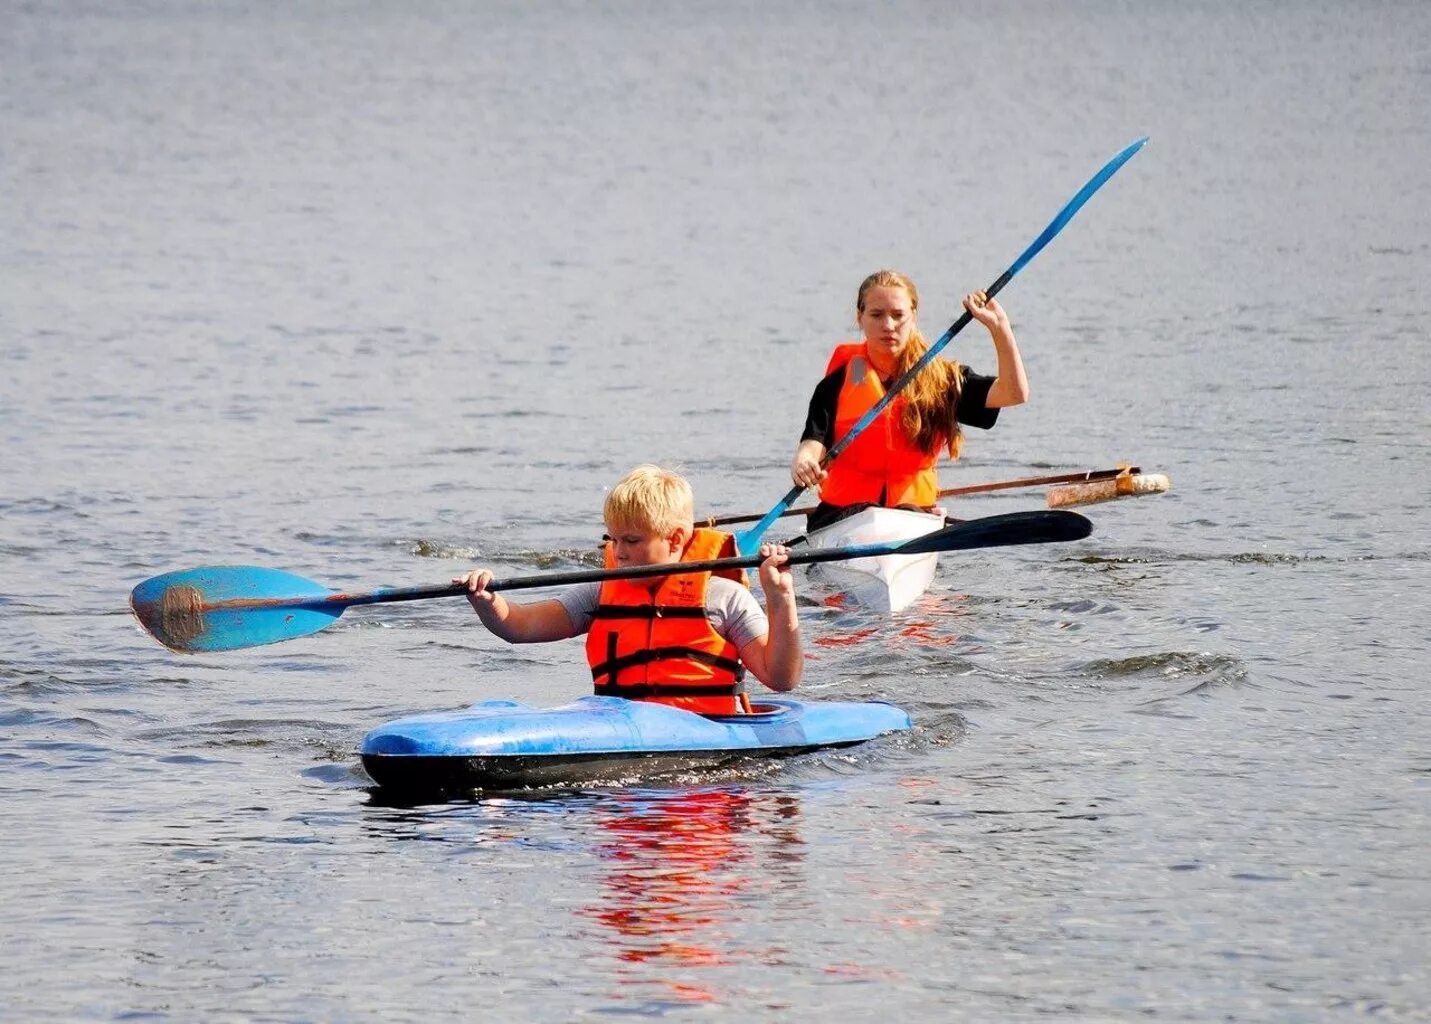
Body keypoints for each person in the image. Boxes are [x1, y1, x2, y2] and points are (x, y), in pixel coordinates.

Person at [454, 464, 801, 715]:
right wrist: (487, 599)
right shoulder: (600, 593)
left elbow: (781, 678)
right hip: (619, 728)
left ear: (676, 539)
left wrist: (780, 598)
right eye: (613, 539)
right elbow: (520, 626)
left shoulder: (724, 598)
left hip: (703, 732)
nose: (618, 552)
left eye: (632, 541)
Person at [789, 269, 1029, 531]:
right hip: (842, 515)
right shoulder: (837, 382)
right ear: (860, 318)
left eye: (898, 315)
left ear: (913, 317)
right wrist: (804, 462)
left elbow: (1014, 393)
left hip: (912, 516)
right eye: (877, 314)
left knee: (904, 516)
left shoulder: (941, 380)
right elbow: (813, 442)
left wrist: (1000, 329)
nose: (888, 325)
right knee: (861, 517)